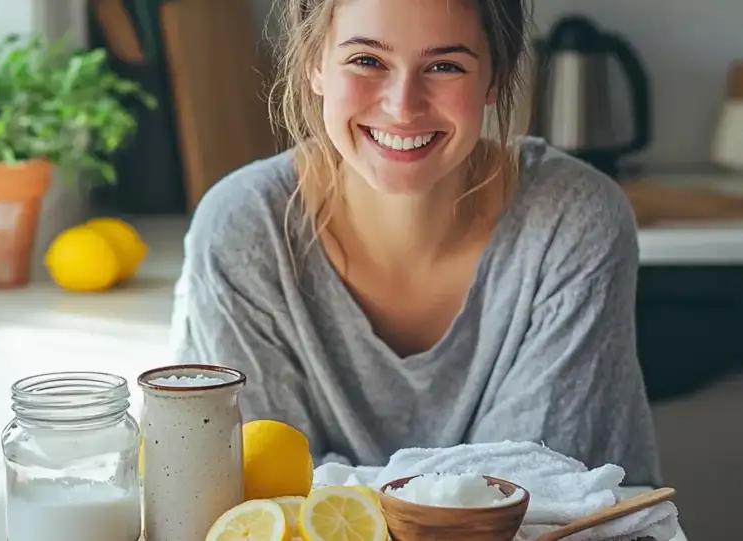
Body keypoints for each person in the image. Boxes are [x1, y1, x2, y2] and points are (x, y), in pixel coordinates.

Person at [170, 0, 662, 487]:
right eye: (367, 60)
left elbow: (531, 498)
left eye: (445, 65)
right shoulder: (242, 229)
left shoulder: (573, 218)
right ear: (314, 63)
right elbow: (263, 491)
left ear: (495, 77)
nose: (403, 106)